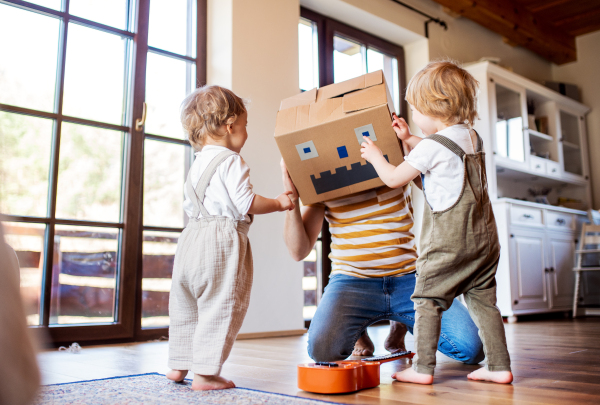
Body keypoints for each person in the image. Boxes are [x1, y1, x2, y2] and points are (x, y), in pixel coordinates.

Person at [281, 118, 485, 368]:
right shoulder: (324, 180)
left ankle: (400, 323)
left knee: (472, 348)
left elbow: (438, 189)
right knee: (323, 351)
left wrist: (410, 145)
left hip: (410, 280)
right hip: (353, 282)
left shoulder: (394, 161)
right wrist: (291, 199)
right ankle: (359, 327)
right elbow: (298, 251)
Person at [360, 60, 512, 385]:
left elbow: (394, 178)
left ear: (434, 108)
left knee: (427, 301)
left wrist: (376, 156)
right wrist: (409, 138)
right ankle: (499, 366)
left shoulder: (431, 147)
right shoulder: (471, 138)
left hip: (449, 243)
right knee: (485, 304)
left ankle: (422, 369)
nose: (413, 114)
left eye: (416, 109)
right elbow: (441, 166)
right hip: (484, 243)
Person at [167, 85, 295, 391]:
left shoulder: (197, 164)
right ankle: (206, 375)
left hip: (190, 238)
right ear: (230, 126)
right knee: (220, 304)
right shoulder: (231, 161)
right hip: (220, 239)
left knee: (186, 305)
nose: (246, 132)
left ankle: (177, 365)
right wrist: (278, 203)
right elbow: (245, 202)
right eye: (245, 125)